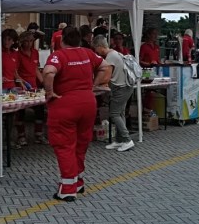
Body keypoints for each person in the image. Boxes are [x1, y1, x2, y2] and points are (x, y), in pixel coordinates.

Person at [43, 25, 111, 201]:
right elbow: (105, 66)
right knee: (81, 143)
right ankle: (78, 180)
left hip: (65, 105)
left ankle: (67, 188)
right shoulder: (87, 53)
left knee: (64, 145)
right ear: (79, 39)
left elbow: (49, 72)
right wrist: (93, 85)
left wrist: (49, 92)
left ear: (62, 39)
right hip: (87, 103)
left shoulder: (58, 55)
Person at [93, 35, 135, 152]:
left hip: (120, 88)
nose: (96, 52)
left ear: (100, 46)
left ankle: (127, 140)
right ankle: (119, 140)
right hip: (126, 87)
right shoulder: (115, 53)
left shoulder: (110, 57)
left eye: (96, 49)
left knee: (114, 114)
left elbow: (106, 75)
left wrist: (96, 84)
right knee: (120, 113)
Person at [16, 31, 46, 145]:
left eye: (31, 41)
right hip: (22, 87)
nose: (29, 44)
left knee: (39, 110)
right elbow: (15, 72)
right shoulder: (18, 54)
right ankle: (21, 136)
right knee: (21, 111)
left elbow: (35, 69)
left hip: (34, 86)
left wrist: (43, 81)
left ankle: (39, 134)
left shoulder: (35, 53)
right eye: (27, 41)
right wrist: (21, 83)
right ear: (22, 42)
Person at [0, 28, 22, 93]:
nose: (6, 42)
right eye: (4, 39)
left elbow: (14, 73)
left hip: (12, 88)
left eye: (9, 39)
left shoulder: (15, 53)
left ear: (13, 41)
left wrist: (22, 84)